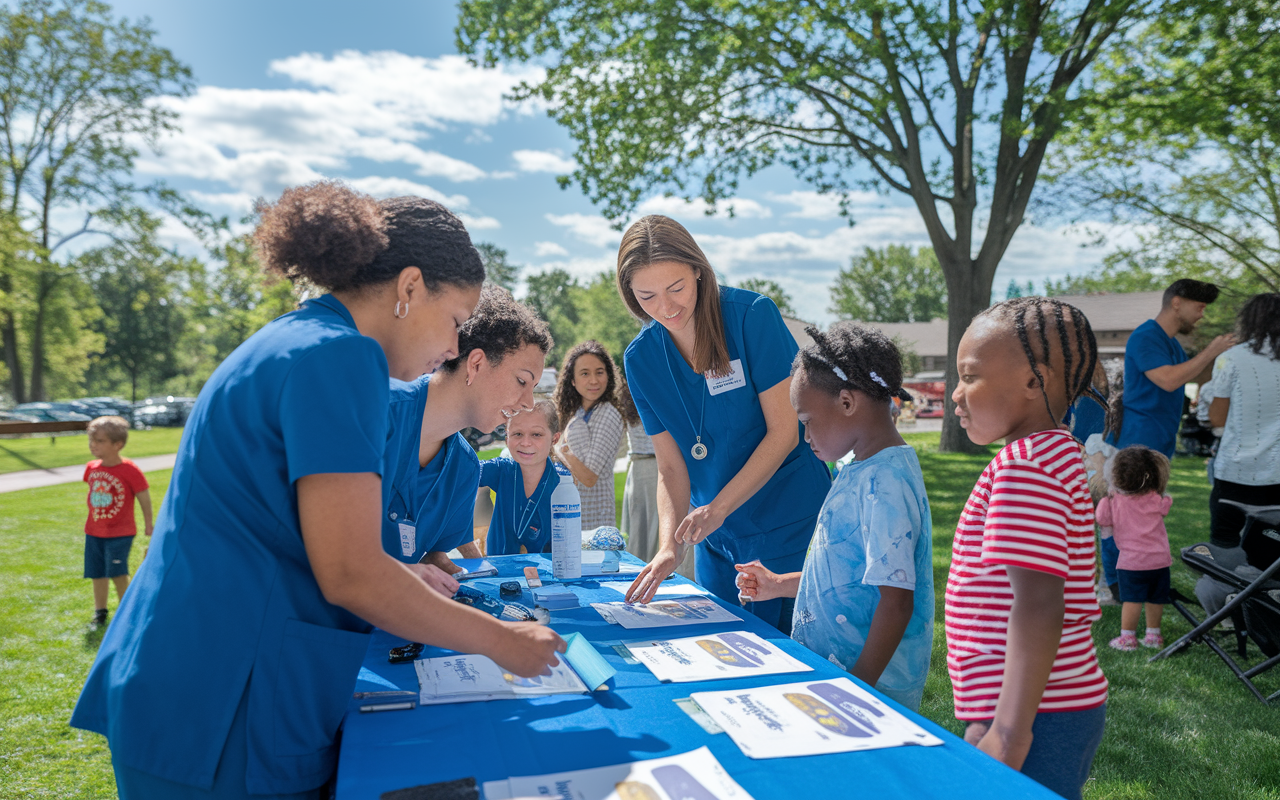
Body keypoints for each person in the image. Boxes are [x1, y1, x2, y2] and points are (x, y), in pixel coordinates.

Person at [71, 184, 565, 800]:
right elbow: (351, 571)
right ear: (410, 288)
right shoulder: (343, 358)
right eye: (457, 323)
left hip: (194, 678)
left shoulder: (297, 337)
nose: (452, 348)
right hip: (223, 698)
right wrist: (504, 642)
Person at [616, 215, 831, 633]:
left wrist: (717, 508)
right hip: (717, 537)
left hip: (789, 520)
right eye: (647, 296)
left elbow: (785, 433)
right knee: (729, 647)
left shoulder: (752, 316)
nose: (666, 307)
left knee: (797, 653)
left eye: (676, 287)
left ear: (698, 269)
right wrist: (667, 547)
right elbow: (672, 467)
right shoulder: (640, 359)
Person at [947, 296, 1109, 800]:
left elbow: (1039, 603)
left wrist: (1008, 731)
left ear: (1034, 381)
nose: (955, 394)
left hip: (1030, 714)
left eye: (970, 376)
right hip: (1054, 703)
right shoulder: (1056, 451)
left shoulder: (1025, 467)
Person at [733, 323, 934, 710]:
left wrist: (857, 689)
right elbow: (850, 577)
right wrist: (777, 584)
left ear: (846, 402)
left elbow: (896, 602)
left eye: (807, 421)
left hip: (869, 695)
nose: (804, 435)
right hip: (837, 680)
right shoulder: (858, 469)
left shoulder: (885, 481)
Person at [382, 285, 552, 580]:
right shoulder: (373, 413)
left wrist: (436, 562)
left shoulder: (465, 466)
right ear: (475, 364)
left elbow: (433, 554)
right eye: (522, 381)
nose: (527, 404)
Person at [1113, 278, 1236, 458]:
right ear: (1176, 303)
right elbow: (1168, 381)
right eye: (1200, 307)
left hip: (1161, 441)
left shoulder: (1174, 345)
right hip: (1137, 444)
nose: (1202, 314)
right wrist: (1211, 351)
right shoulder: (1146, 336)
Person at [1207, 292, 1280, 547]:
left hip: (1235, 473)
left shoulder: (1232, 357)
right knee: (1269, 558)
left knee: (1223, 551)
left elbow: (1217, 418)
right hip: (1276, 478)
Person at [1099, 446, 1173, 652]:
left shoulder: (1114, 501)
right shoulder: (1156, 498)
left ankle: (1127, 638)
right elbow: (1167, 503)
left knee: (1131, 600)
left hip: (1131, 562)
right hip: (1159, 560)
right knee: (1155, 599)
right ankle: (1153, 636)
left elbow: (1102, 519)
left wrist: (1106, 499)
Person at [82, 416, 153, 628]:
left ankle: (128, 612)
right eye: (91, 440)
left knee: (117, 572)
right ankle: (100, 613)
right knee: (97, 572)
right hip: (94, 531)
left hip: (120, 533)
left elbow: (144, 496)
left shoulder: (130, 470)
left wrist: (148, 524)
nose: (93, 445)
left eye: (100, 441)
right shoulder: (91, 468)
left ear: (117, 445)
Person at [553, 340, 625, 528]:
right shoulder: (577, 413)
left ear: (608, 376)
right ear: (573, 380)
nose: (594, 380)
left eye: (599, 372)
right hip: (572, 515)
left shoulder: (608, 413)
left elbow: (589, 477)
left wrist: (560, 450)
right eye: (585, 373)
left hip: (595, 523)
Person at [476, 400, 561, 555]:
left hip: (546, 574)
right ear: (507, 437)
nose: (526, 442)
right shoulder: (502, 470)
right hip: (500, 573)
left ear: (554, 439)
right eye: (518, 434)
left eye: (536, 434)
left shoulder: (561, 484)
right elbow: (460, 472)